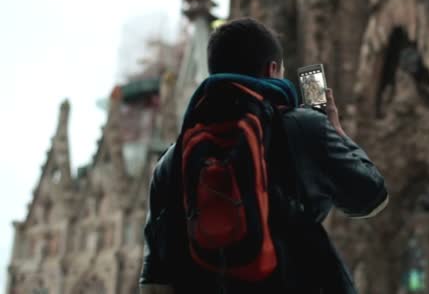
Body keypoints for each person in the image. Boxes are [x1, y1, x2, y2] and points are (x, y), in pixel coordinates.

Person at [139, 18, 388, 293]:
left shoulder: (172, 160)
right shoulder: (303, 128)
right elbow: (371, 196)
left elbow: (154, 277)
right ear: (272, 70)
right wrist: (335, 132)